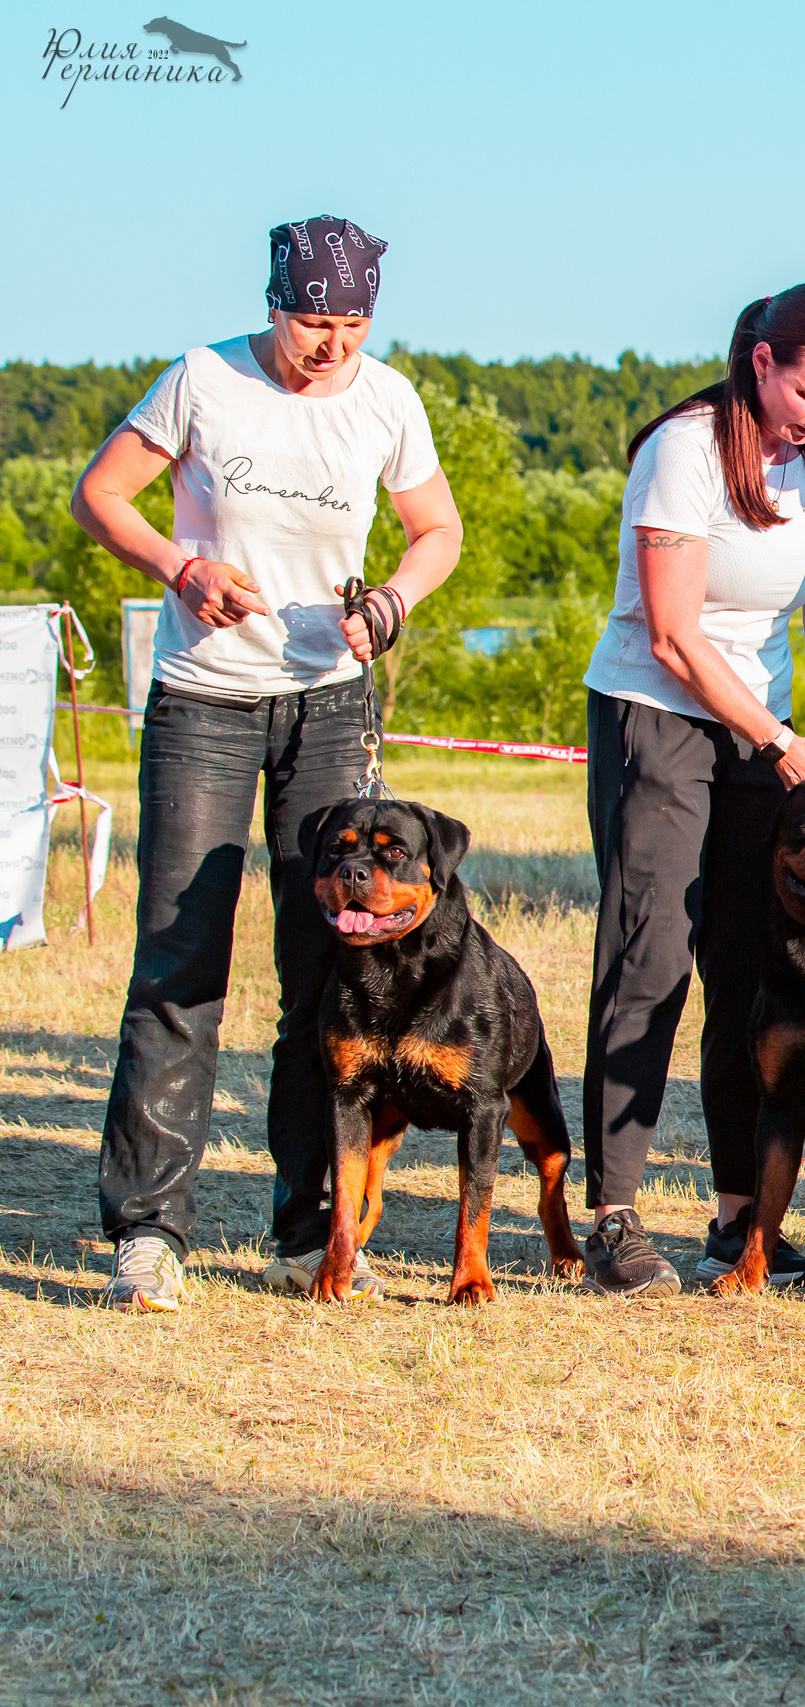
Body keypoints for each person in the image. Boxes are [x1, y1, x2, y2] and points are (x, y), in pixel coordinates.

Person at [76, 216, 462, 1311]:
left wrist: (393, 600)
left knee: (328, 970)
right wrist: (180, 567)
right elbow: (100, 495)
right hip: (203, 699)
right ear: (273, 305)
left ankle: (310, 1236)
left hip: (328, 706)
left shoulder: (388, 399)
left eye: (352, 327)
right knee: (181, 962)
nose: (330, 347)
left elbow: (436, 530)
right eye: (310, 323)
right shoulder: (202, 380)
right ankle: (149, 1233)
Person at [580, 283, 805, 1295]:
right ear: (761, 363)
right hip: (656, 713)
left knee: (749, 974)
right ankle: (614, 1218)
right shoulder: (685, 449)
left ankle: (739, 1220)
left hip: (765, 732)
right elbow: (671, 634)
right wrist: (774, 737)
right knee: (651, 956)